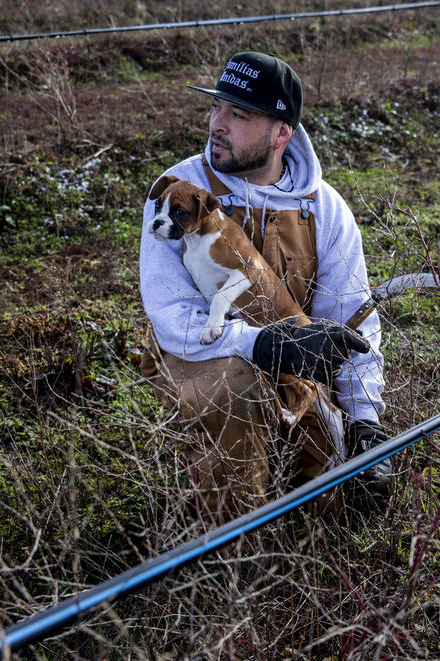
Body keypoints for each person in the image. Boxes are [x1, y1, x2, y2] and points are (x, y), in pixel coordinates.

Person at [139, 51, 390, 524]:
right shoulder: (179, 189)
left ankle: (310, 550)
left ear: (281, 133)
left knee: (330, 482)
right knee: (235, 387)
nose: (217, 123)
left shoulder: (326, 209)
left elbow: (353, 317)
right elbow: (172, 317)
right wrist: (262, 343)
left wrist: (365, 422)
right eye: (216, 108)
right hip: (194, 356)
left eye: (239, 114)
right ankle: (233, 561)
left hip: (295, 362)